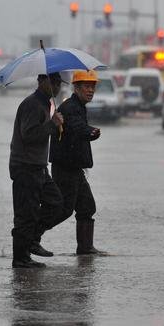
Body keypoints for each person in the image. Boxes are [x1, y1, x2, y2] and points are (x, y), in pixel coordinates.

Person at [9, 73, 66, 268]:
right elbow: (29, 134)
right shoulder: (33, 104)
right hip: (26, 167)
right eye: (52, 82)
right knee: (26, 213)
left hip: (39, 167)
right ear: (41, 82)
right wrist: (52, 124)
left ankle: (32, 240)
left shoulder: (46, 104)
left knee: (56, 203)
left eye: (59, 83)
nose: (56, 86)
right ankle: (20, 258)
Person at [49, 70, 106, 255]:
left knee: (87, 206)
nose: (91, 91)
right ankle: (31, 235)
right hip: (65, 168)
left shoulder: (79, 106)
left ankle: (85, 248)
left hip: (74, 167)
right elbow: (76, 128)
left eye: (93, 87)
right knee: (63, 209)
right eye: (87, 87)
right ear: (77, 88)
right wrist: (91, 132)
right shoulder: (71, 107)